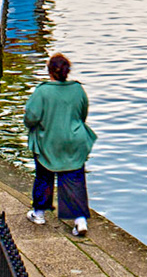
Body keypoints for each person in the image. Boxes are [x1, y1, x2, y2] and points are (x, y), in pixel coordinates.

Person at [24, 53, 96, 238]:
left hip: (49, 140)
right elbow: (83, 113)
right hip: (74, 140)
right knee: (74, 178)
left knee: (44, 175)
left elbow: (30, 118)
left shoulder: (43, 92)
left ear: (50, 71)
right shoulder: (78, 90)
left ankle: (39, 212)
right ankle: (80, 219)